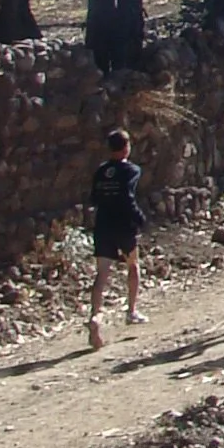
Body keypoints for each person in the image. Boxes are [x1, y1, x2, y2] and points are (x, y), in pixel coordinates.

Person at [87, 126, 145, 349]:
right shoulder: (131, 170)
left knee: (101, 274)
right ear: (126, 148)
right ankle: (131, 311)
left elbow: (94, 198)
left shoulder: (101, 171)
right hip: (124, 226)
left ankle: (95, 316)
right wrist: (139, 218)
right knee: (133, 266)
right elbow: (127, 196)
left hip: (103, 226)